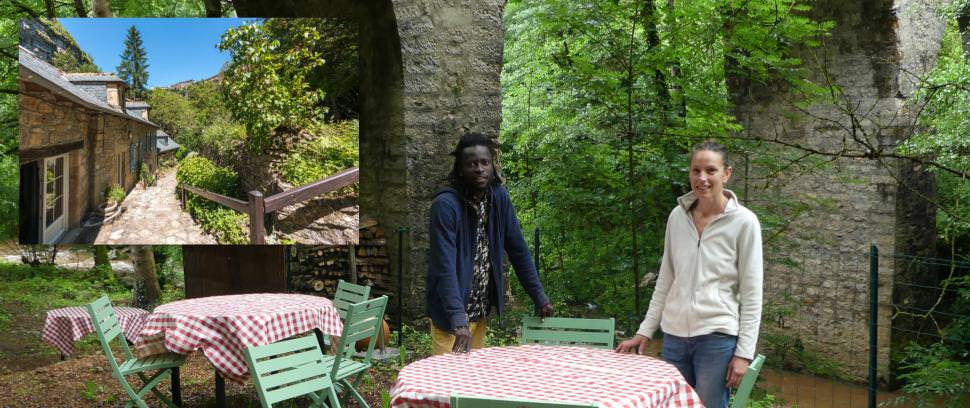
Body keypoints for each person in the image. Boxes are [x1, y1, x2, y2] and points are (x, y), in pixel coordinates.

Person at [615, 140, 763, 408]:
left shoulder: (745, 222)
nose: (702, 178)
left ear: (726, 173)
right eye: (696, 170)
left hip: (716, 339)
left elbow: (753, 294)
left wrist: (744, 353)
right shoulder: (677, 217)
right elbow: (666, 280)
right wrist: (645, 331)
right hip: (674, 338)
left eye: (711, 170)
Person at [426, 132, 554, 355]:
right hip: (450, 318)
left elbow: (518, 249)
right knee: (445, 385)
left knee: (472, 382)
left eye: (484, 162)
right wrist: (458, 320)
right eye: (471, 164)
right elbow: (443, 267)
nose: (479, 169)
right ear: (459, 169)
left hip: (480, 310)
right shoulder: (445, 206)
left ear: (492, 166)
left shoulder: (498, 197)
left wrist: (539, 296)